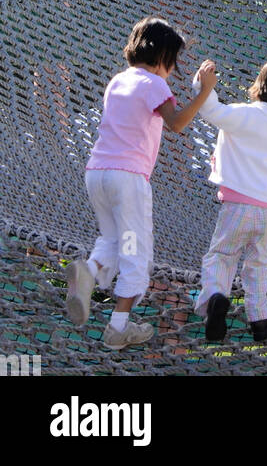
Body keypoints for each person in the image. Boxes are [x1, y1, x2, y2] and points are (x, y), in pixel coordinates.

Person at [64, 17, 216, 348]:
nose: (173, 71)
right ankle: (118, 327)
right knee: (137, 253)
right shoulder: (154, 84)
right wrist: (205, 91)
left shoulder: (117, 81)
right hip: (127, 181)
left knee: (113, 240)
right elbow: (177, 123)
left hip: (97, 174)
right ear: (162, 57)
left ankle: (89, 270)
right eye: (174, 62)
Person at [193, 56, 267, 344]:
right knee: (258, 263)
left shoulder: (247, 114)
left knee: (222, 255)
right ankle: (261, 317)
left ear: (259, 86)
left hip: (239, 204)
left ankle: (215, 299)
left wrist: (203, 83)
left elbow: (210, 109)